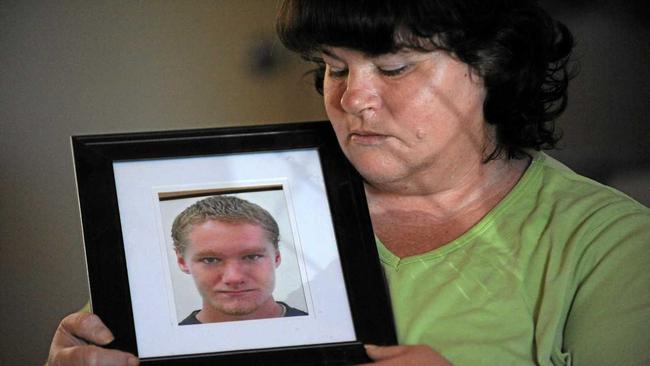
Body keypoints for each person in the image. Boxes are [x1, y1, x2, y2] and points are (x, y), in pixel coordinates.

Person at [47, 1, 649, 365]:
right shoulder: (239, 201)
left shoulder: (608, 246)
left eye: (395, 67)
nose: (352, 98)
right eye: (334, 66)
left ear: (494, 67)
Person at [171, 195, 307, 325]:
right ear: (182, 261)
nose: (234, 278)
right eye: (210, 260)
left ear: (276, 257)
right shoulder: (167, 346)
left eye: (252, 257)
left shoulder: (321, 330)